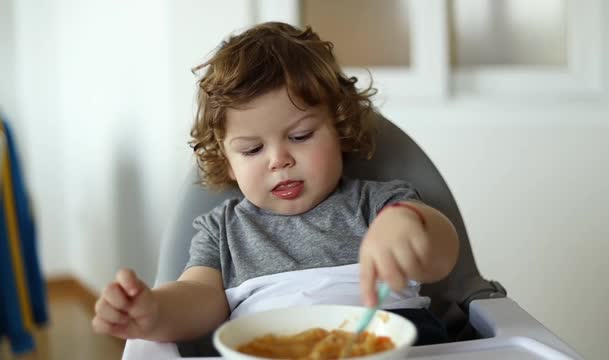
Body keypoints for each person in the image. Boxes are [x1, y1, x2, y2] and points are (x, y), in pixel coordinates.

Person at [92, 22, 459, 347]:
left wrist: (409, 223)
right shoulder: (223, 231)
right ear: (228, 162)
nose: (278, 160)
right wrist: (153, 310)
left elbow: (442, 255)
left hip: (394, 345)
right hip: (271, 349)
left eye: (300, 136)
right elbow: (198, 298)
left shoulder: (378, 203)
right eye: (252, 149)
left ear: (340, 130)